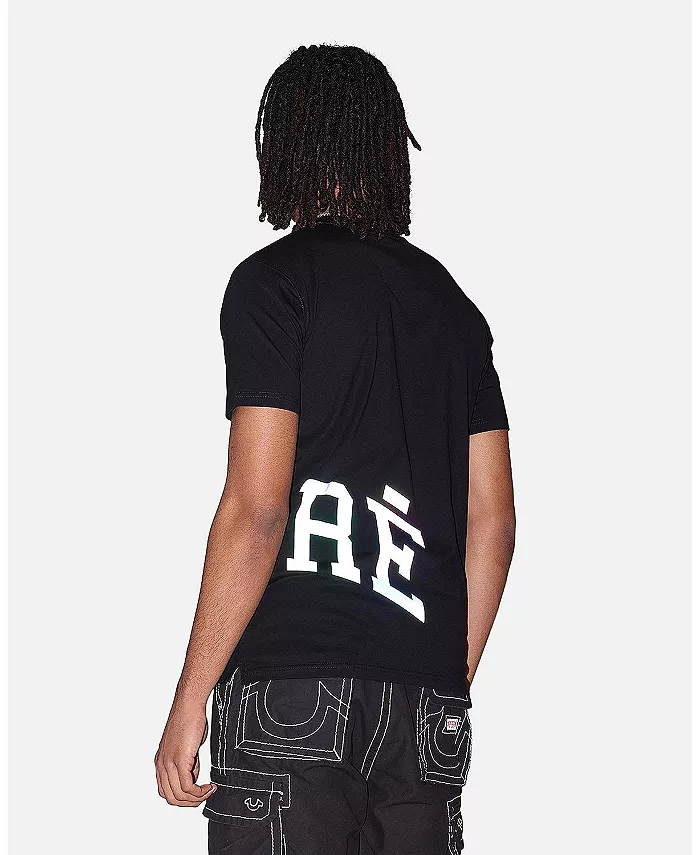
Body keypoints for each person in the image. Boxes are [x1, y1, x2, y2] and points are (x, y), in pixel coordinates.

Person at [155, 44, 515, 855]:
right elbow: (494, 521)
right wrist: (444, 674)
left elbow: (258, 508)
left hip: (293, 685)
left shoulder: (273, 285)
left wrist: (190, 696)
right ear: (385, 150)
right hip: (424, 699)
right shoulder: (455, 310)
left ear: (286, 145)